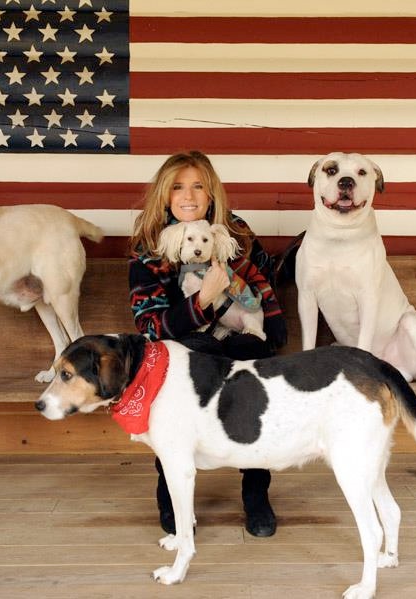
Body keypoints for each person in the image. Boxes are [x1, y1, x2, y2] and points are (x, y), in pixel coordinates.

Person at [128, 150, 288, 537]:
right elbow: (151, 326)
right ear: (165, 195)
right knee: (185, 382)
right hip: (181, 348)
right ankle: (171, 495)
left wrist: (248, 300)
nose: (188, 195)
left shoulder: (235, 232)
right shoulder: (149, 249)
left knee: (253, 379)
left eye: (198, 186)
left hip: (239, 339)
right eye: (178, 187)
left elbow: (262, 280)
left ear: (211, 193)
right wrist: (202, 301)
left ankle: (255, 494)